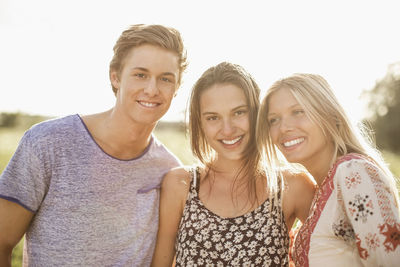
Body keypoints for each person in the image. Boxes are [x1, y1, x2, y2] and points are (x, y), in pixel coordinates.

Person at [0, 24, 187, 266]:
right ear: (115, 76)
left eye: (165, 79)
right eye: (140, 74)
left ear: (177, 88)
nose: (152, 89)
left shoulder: (169, 171)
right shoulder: (48, 143)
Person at [151, 62, 315, 266]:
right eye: (213, 118)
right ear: (200, 124)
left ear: (257, 112)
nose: (227, 129)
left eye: (239, 112)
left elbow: (335, 252)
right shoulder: (179, 184)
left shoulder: (293, 186)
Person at [256, 73, 400, 266]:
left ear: (330, 116)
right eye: (273, 119)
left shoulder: (353, 172)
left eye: (298, 111)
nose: (284, 128)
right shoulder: (324, 187)